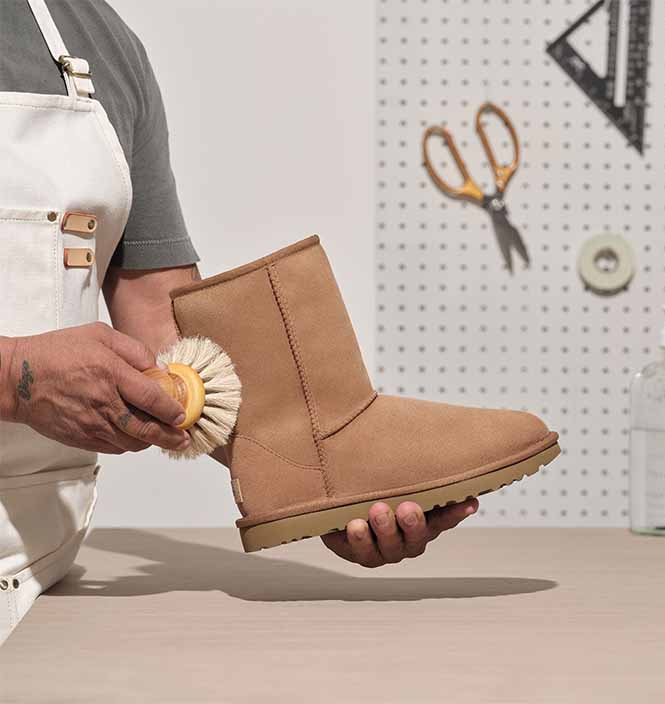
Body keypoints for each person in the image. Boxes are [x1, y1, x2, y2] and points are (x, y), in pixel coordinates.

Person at [0, 0, 477, 644]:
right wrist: (10, 375)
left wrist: (311, 475)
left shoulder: (94, 41)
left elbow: (167, 337)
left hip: (35, 579)